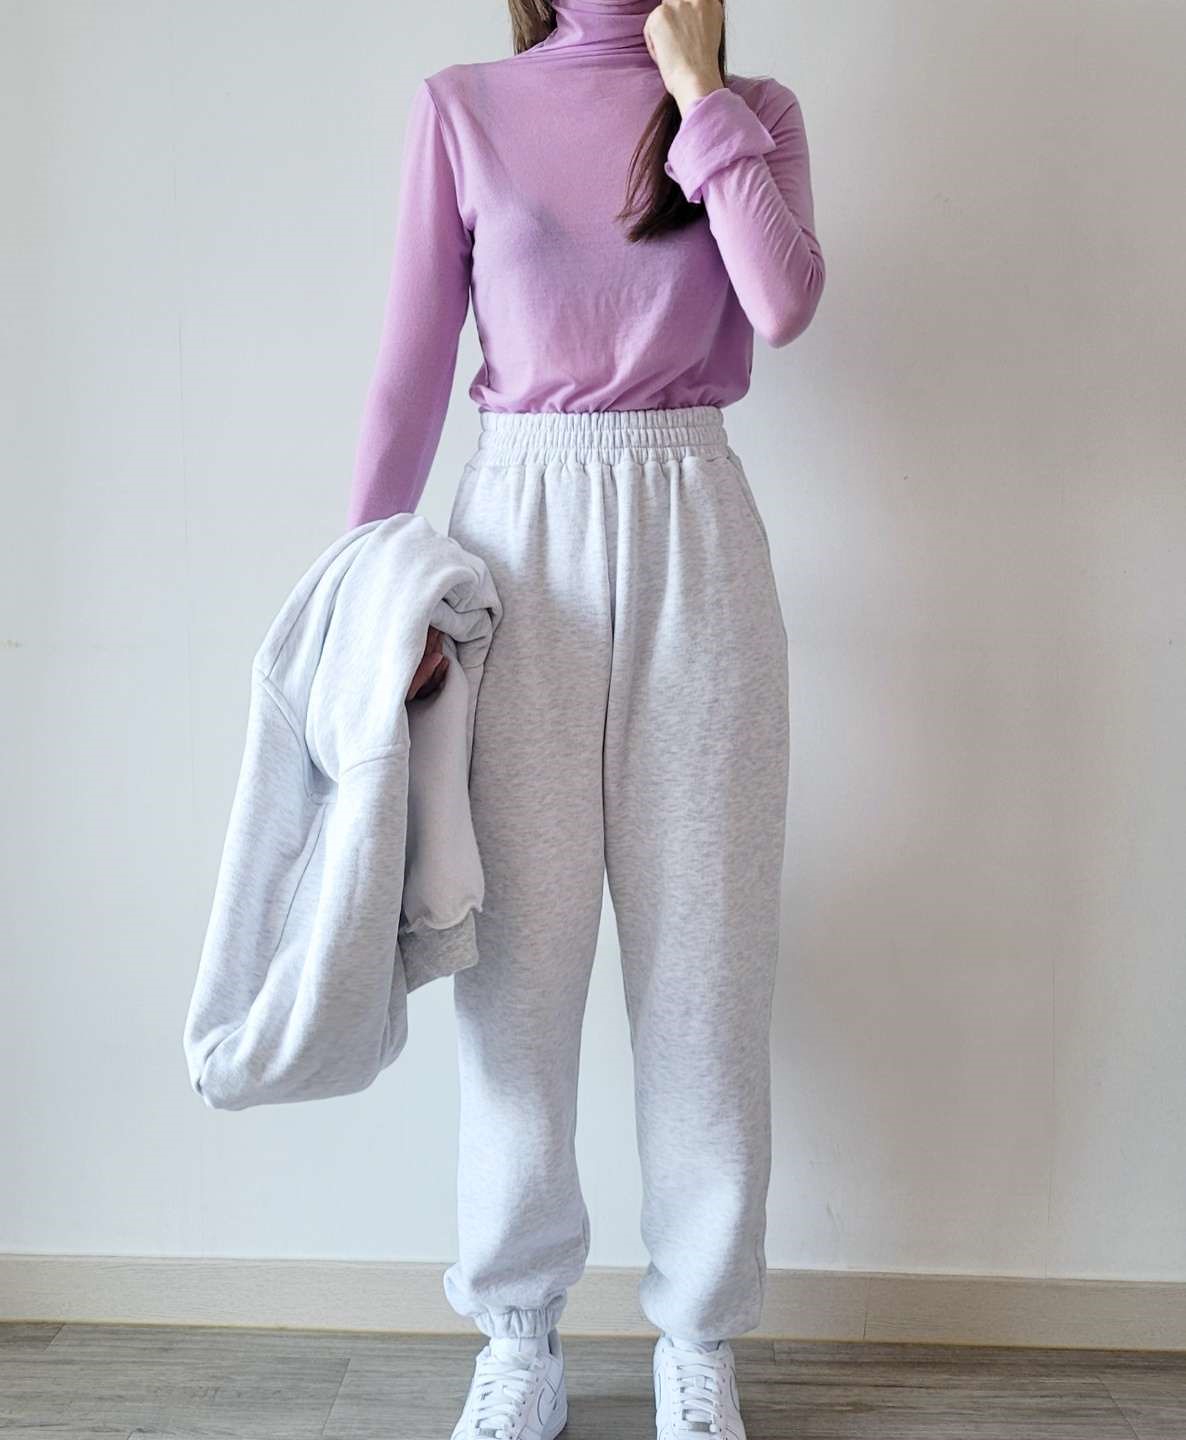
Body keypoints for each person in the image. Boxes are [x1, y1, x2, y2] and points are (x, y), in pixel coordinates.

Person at [348, 1, 825, 1435]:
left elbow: (782, 303)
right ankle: (519, 1339)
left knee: (707, 967)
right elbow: (411, 365)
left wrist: (695, 87)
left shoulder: (752, 109)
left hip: (696, 525)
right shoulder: (465, 106)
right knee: (514, 973)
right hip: (515, 534)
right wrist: (370, 592)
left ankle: (698, 1344)